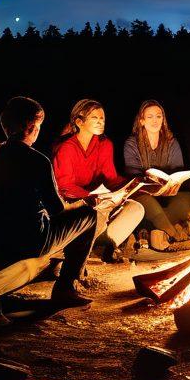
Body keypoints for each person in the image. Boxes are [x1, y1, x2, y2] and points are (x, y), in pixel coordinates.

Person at [0, 96, 99, 308]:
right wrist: (80, 205)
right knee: (89, 217)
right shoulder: (37, 161)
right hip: (31, 242)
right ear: (31, 126)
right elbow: (56, 209)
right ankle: (67, 286)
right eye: (38, 125)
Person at [52, 98, 143, 262]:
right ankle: (75, 250)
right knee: (95, 215)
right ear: (79, 122)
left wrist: (134, 184)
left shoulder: (105, 144)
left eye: (102, 118)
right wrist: (90, 197)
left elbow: (110, 179)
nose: (101, 122)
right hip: (73, 204)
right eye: (95, 118)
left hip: (97, 201)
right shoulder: (66, 148)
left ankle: (104, 246)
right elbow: (64, 185)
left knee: (136, 208)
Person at [123, 99, 190, 252]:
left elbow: (178, 171)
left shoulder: (171, 142)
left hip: (167, 196)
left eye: (159, 116)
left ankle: (150, 229)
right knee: (146, 201)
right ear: (142, 121)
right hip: (144, 196)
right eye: (150, 117)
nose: (155, 120)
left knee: (189, 198)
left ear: (163, 119)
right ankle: (171, 233)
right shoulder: (132, 144)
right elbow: (133, 175)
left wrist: (173, 182)